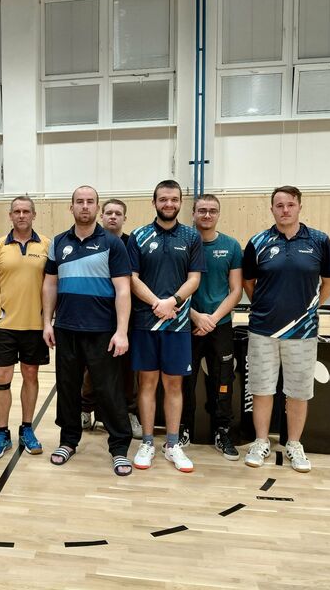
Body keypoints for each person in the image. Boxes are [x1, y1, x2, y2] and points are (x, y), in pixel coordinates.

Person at [242, 186, 330, 473]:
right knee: (261, 389)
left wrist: (309, 309)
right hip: (263, 330)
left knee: (298, 391)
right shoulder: (258, 242)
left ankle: (294, 444)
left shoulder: (320, 241)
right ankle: (261, 441)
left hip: (303, 332)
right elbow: (248, 283)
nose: (285, 210)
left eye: (290, 205)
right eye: (279, 205)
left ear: (299, 207)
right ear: (272, 209)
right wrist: (266, 307)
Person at [43, 186, 133, 476]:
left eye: (90, 202)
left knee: (109, 390)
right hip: (66, 328)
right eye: (79, 202)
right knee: (68, 388)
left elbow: (123, 289)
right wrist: (47, 322)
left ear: (97, 208)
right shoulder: (58, 242)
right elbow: (50, 284)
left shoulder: (112, 243)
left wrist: (121, 331)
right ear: (71, 207)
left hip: (102, 330)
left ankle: (119, 448)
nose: (85, 206)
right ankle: (68, 441)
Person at [128, 180, 205, 473]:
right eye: (163, 199)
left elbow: (194, 278)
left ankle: (172, 444)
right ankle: (147, 442)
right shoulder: (139, 236)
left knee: (174, 385)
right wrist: (156, 304)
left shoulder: (191, 236)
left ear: (180, 202)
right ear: (154, 202)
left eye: (174, 199)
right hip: (146, 323)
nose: (168, 204)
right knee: (147, 384)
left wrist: (172, 301)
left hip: (178, 323)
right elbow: (132, 278)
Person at [0, 196, 51, 460]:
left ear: (34, 215)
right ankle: (2, 433)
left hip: (35, 326)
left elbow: (52, 285)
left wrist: (49, 322)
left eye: (26, 211)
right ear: (10, 215)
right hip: (4, 326)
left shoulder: (47, 245)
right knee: (1, 378)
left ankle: (27, 429)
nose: (21, 215)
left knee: (31, 376)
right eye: (17, 211)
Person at [180, 194, 243, 460]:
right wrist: (195, 316)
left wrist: (212, 319)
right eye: (202, 210)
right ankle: (182, 428)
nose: (207, 215)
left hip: (220, 325)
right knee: (184, 380)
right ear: (193, 214)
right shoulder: (182, 244)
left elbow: (236, 290)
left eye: (212, 211)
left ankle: (222, 431)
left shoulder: (231, 246)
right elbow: (172, 288)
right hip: (186, 323)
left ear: (218, 214)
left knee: (223, 381)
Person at [79, 198, 142, 439]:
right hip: (96, 314)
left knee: (127, 368)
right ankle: (86, 408)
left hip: (126, 315)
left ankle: (129, 412)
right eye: (109, 213)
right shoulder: (91, 240)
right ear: (101, 216)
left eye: (118, 213)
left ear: (125, 218)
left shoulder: (132, 244)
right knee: (91, 366)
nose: (113, 217)